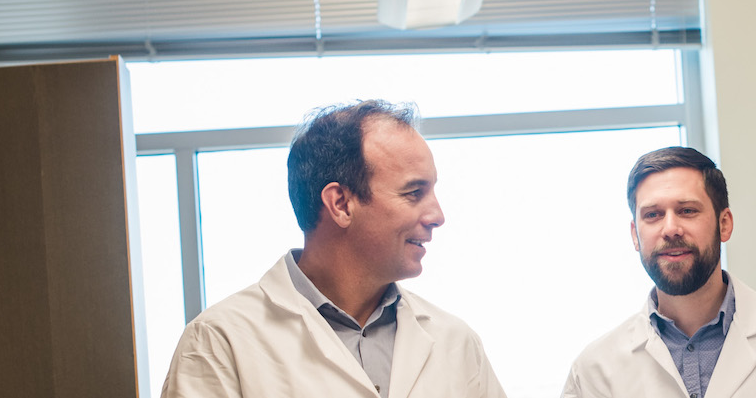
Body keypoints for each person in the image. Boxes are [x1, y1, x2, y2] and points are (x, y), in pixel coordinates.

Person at [161, 100, 506, 398]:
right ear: (340, 203)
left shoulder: (455, 342)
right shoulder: (221, 341)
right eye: (414, 193)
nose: (437, 216)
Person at [561, 146, 756, 398]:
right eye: (653, 215)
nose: (670, 228)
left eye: (687, 210)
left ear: (724, 223)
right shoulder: (595, 371)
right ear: (635, 234)